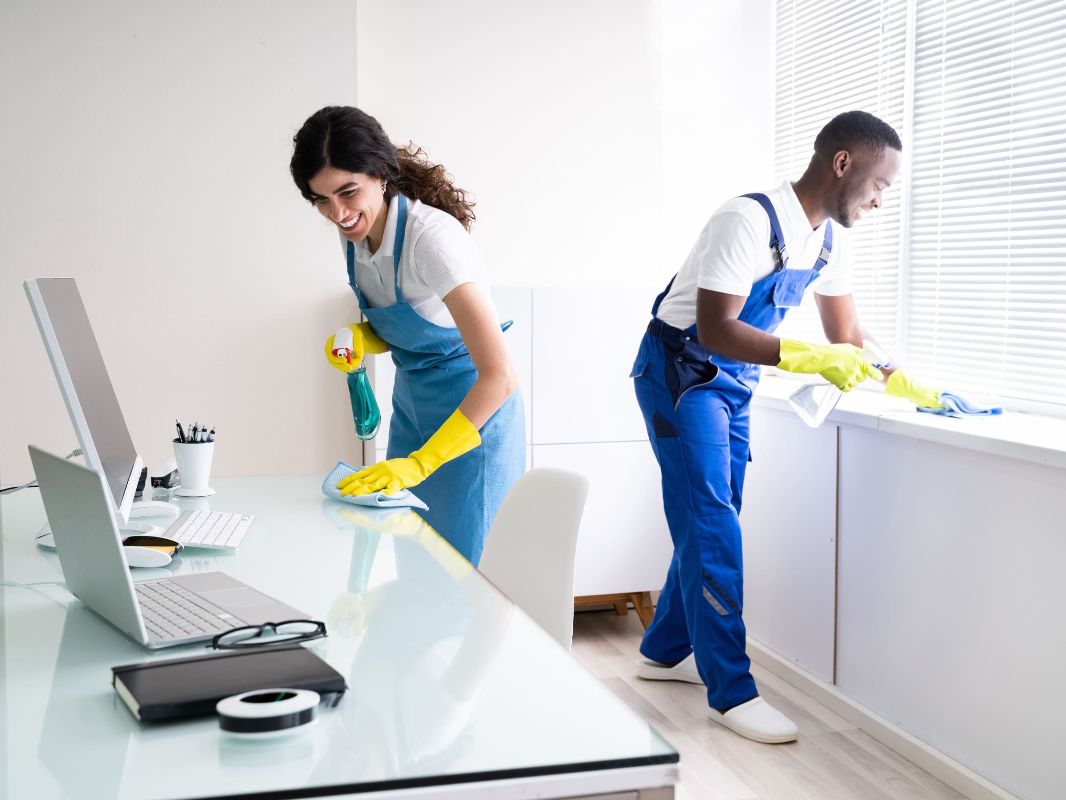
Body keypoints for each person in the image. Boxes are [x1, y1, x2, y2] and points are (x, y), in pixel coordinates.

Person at [630, 110, 945, 744]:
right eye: (880, 185)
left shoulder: (828, 242)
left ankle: (662, 652)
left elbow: (846, 337)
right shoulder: (745, 220)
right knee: (711, 519)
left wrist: (906, 379)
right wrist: (807, 357)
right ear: (842, 163)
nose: (882, 201)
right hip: (680, 374)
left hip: (736, 383)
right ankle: (731, 691)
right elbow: (717, 330)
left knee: (715, 509)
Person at [289, 106, 524, 566]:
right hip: (413, 412)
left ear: (380, 174)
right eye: (320, 200)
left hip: (471, 421)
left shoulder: (432, 241)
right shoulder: (353, 233)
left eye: (347, 192)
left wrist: (420, 464)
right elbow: (403, 325)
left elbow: (499, 376)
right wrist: (360, 337)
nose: (337, 213)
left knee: (469, 581)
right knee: (415, 568)